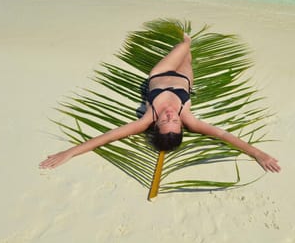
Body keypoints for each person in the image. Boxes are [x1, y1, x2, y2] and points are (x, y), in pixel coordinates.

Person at [39, 34, 280, 173]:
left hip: (160, 73)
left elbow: (107, 137)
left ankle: (183, 38)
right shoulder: (189, 119)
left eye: (165, 121)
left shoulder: (146, 119)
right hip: (185, 80)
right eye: (174, 120)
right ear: (181, 125)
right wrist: (259, 154)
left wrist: (69, 153)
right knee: (187, 52)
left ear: (156, 126)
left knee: (184, 44)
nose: (169, 115)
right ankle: (186, 41)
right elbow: (225, 135)